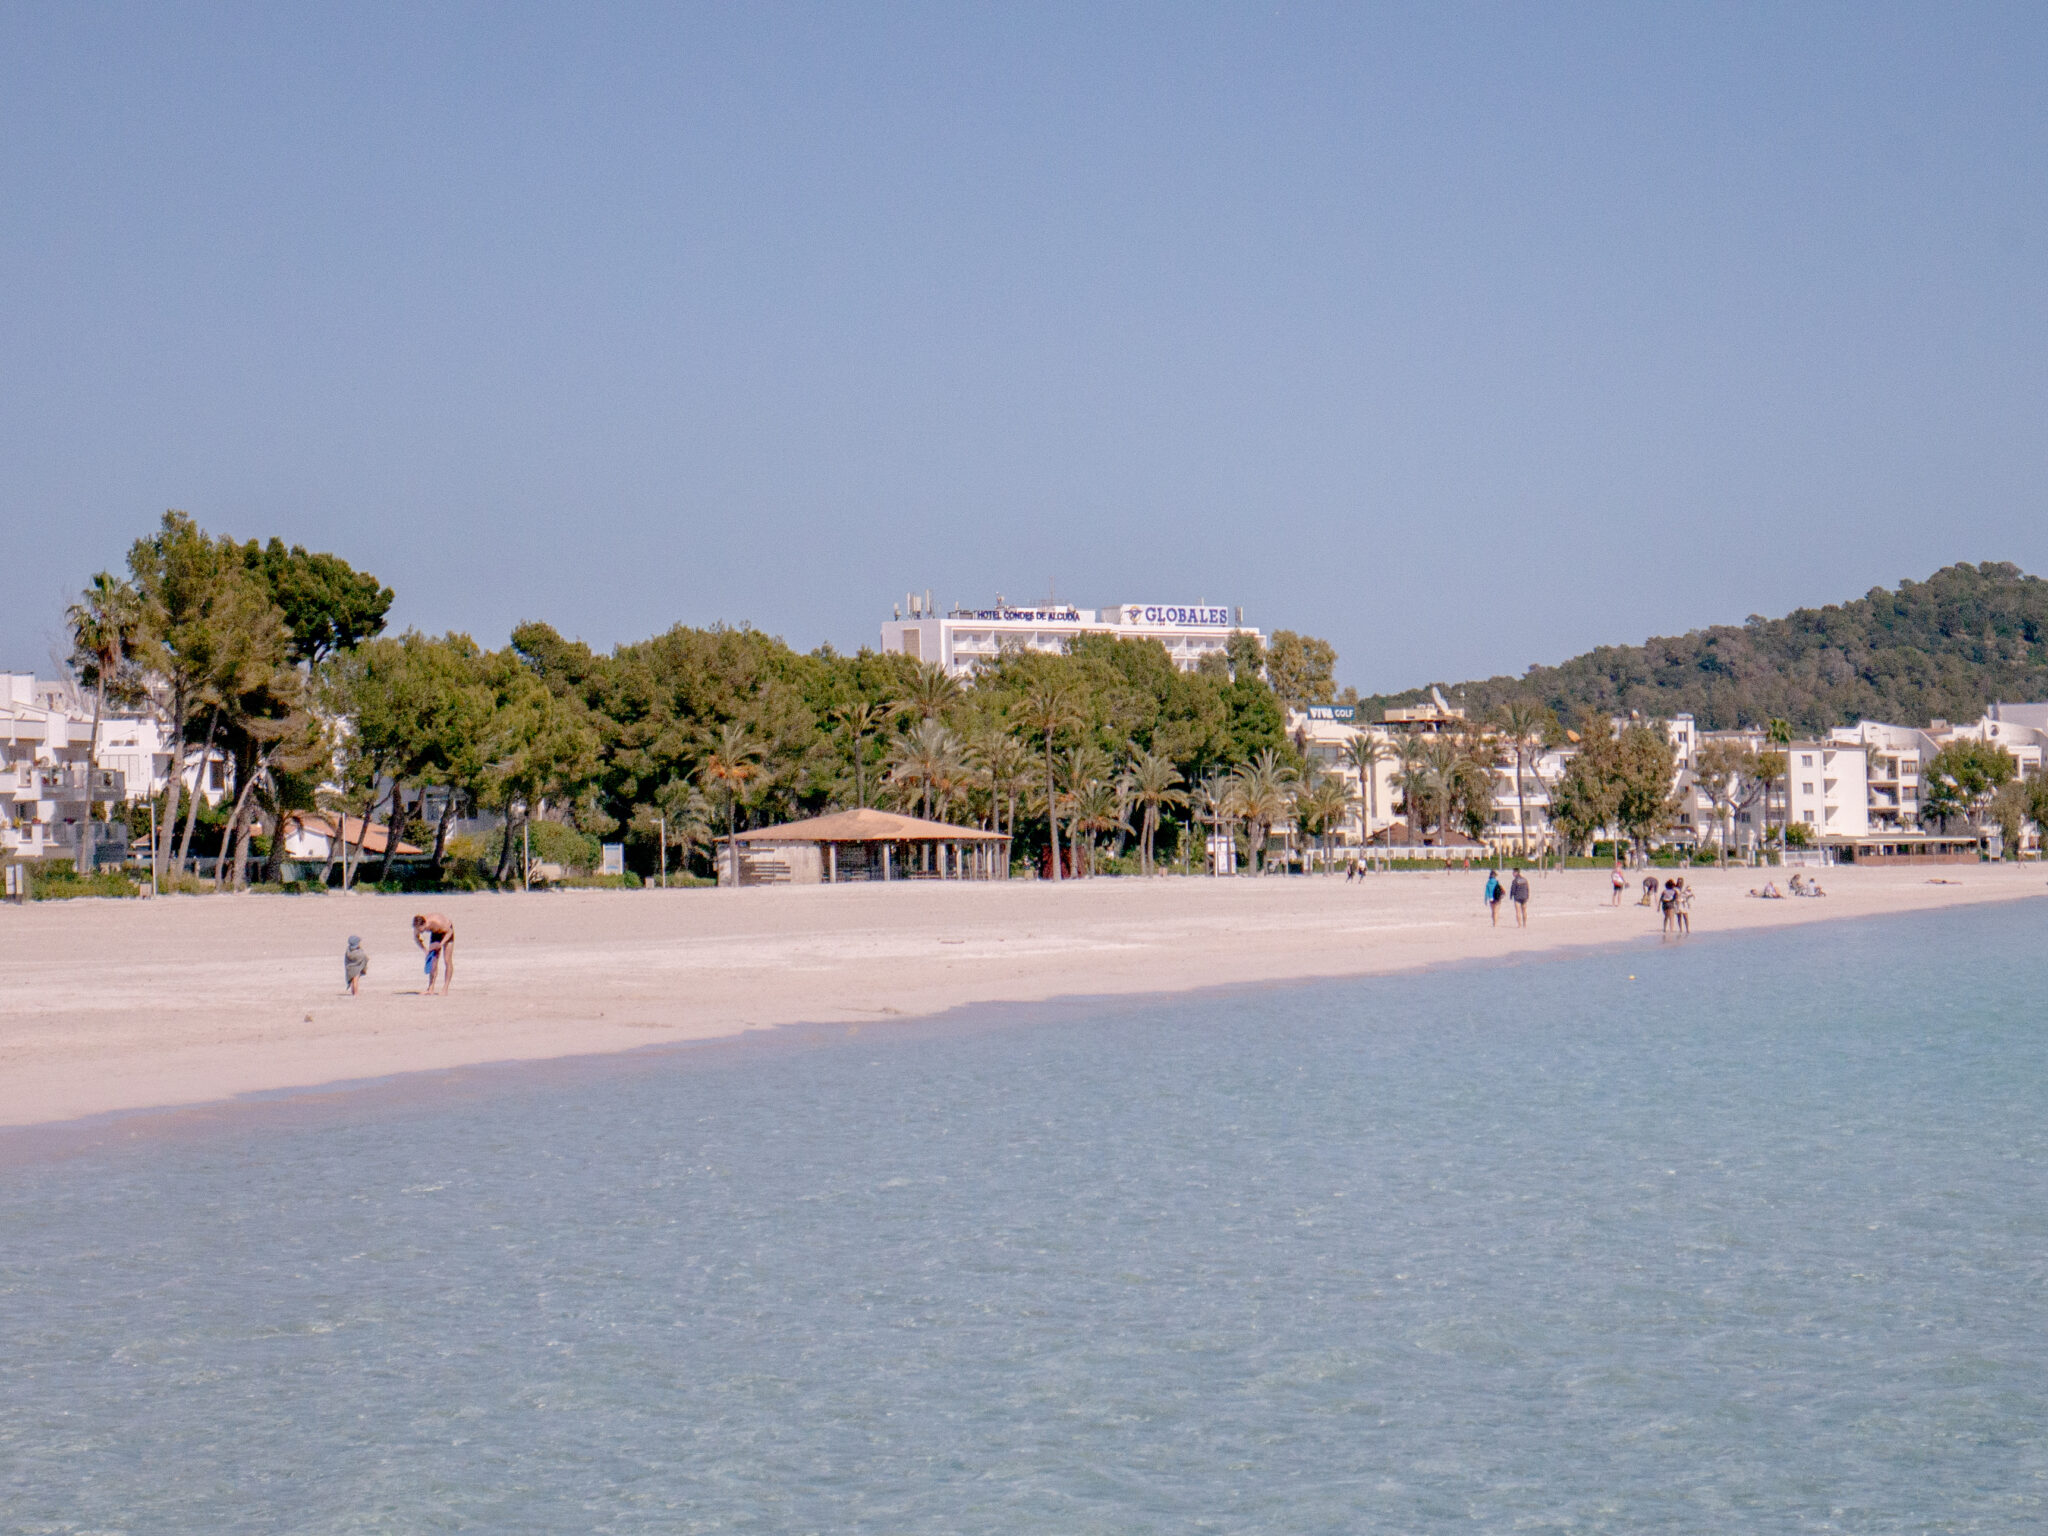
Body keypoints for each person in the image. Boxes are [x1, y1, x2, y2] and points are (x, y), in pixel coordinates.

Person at [413, 912, 455, 994]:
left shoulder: (438, 923)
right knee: (433, 960)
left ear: (425, 924)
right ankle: (430, 988)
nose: (420, 932)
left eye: (422, 930)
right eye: (418, 930)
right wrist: (425, 950)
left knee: (447, 960)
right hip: (436, 933)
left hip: (447, 932)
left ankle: (445, 989)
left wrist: (441, 944)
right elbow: (417, 939)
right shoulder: (417, 926)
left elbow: (449, 932)